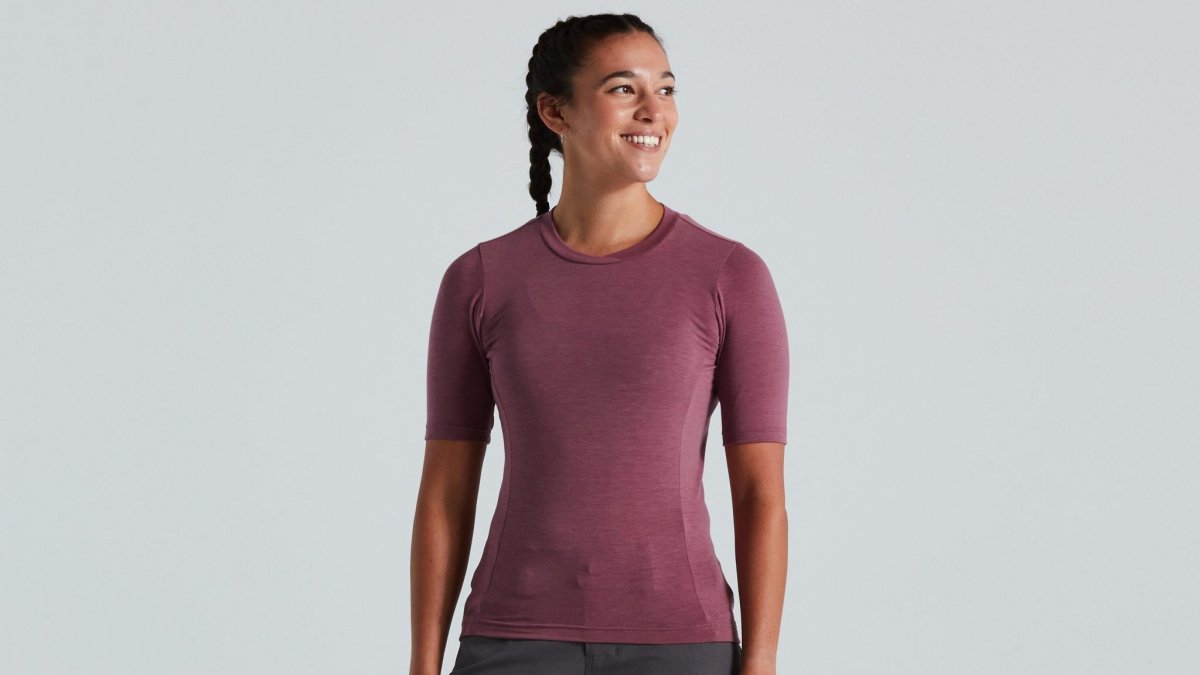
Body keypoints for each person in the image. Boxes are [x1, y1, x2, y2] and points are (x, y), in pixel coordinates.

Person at [410, 13, 788, 675]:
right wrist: (422, 663)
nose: (653, 111)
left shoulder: (729, 276)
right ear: (555, 111)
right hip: (512, 637)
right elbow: (445, 490)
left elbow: (761, 495)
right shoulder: (481, 278)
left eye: (665, 89)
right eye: (623, 88)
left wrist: (760, 664)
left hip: (680, 643)